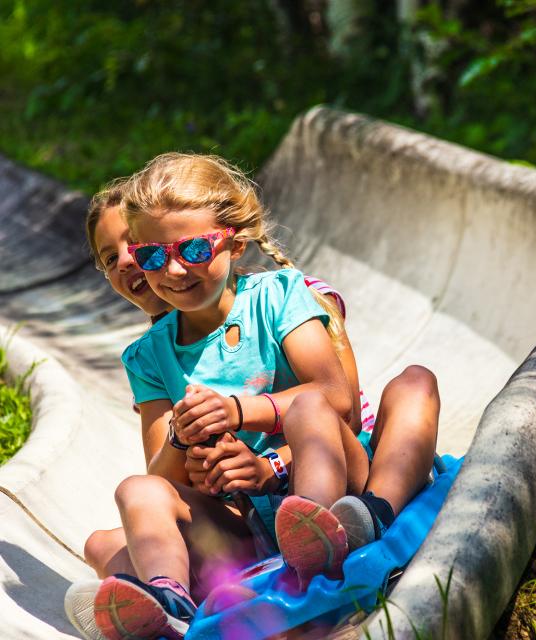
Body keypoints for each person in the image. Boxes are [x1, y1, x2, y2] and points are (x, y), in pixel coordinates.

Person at [67, 155, 439, 640]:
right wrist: (185, 443)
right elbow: (161, 478)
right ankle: (172, 603)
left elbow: (336, 399)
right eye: (155, 256)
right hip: (246, 520)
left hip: (340, 483)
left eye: (194, 249)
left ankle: (356, 524)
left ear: (235, 243)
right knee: (132, 497)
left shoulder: (278, 295)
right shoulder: (148, 357)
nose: (175, 269)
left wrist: (251, 436)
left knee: (410, 383)